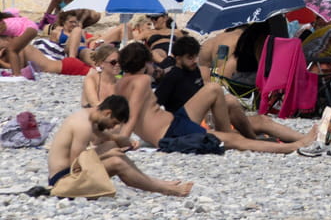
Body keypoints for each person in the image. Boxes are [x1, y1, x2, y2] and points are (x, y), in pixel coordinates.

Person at [111, 42, 314, 154]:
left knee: (214, 89)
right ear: (145, 62)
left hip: (175, 123)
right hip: (171, 132)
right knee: (233, 139)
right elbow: (133, 114)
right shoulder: (142, 81)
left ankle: (229, 134)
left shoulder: (120, 84)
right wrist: (124, 140)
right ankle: (293, 146)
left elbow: (121, 116)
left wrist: (114, 137)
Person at [48, 97, 192, 197]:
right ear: (107, 113)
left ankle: (155, 182)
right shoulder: (83, 126)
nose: (113, 126)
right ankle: (164, 189)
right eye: (114, 122)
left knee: (112, 146)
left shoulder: (88, 116)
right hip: (63, 180)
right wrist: (108, 156)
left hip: (68, 171)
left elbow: (102, 138)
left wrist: (121, 140)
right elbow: (77, 164)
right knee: (116, 162)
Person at [154, 35, 206, 113]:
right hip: (181, 117)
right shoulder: (172, 77)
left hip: (199, 111)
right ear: (178, 59)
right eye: (190, 58)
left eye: (196, 56)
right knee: (214, 89)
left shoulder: (194, 70)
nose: (195, 61)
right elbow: (156, 103)